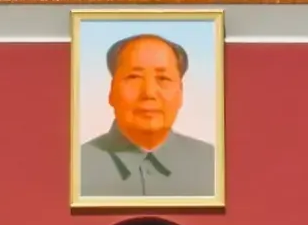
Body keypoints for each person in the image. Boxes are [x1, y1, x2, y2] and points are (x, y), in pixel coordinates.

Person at [78, 31, 216, 200]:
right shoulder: (75, 167)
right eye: (134, 77)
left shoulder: (214, 164)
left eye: (163, 79)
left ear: (181, 93)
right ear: (112, 91)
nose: (149, 93)